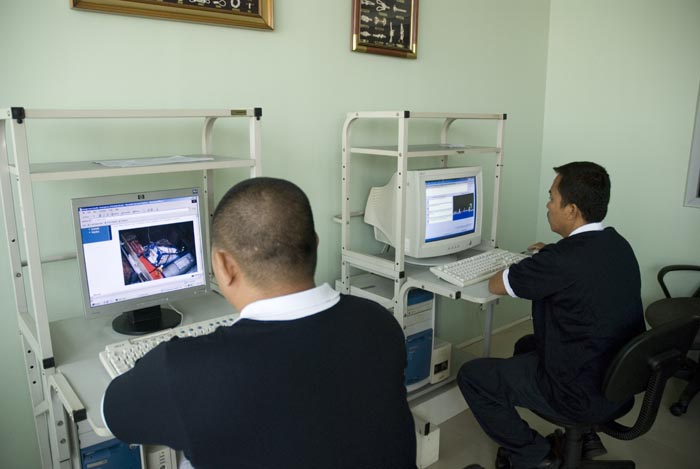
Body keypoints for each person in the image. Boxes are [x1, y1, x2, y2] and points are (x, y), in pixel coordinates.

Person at [102, 177, 417, 469]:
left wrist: (155, 365)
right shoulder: (379, 322)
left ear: (224, 265)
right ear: (316, 244)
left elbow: (113, 416)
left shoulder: (183, 369)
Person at [458, 162, 644, 469]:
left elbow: (496, 284)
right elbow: (577, 265)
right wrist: (550, 254)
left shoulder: (560, 260)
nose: (547, 205)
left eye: (551, 198)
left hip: (579, 394)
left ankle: (534, 454)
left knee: (473, 376)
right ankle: (585, 436)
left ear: (571, 210)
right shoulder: (617, 243)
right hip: (619, 382)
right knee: (525, 346)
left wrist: (535, 261)